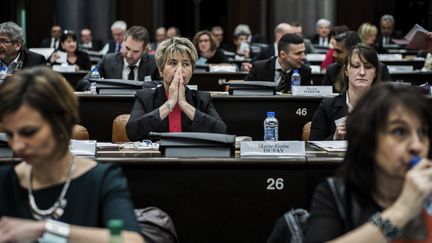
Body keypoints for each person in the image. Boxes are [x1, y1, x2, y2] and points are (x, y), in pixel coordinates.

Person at [0, 66, 143, 243]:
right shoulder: (4, 181)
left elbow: (131, 240)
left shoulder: (102, 180)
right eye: (10, 134)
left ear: (62, 123)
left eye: (29, 132)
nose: (17, 145)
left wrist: (46, 229)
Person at [305, 82, 432, 242]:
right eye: (399, 131)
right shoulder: (337, 195)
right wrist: (402, 210)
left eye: (422, 132)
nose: (417, 145)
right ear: (368, 140)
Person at [126, 37, 227, 141]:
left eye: (186, 64)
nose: (180, 69)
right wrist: (170, 103)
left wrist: (184, 104)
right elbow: (132, 132)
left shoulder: (203, 99)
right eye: (173, 63)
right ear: (161, 70)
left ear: (192, 71)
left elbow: (221, 132)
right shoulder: (144, 97)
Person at [310, 44, 380, 140]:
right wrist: (335, 138)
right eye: (356, 66)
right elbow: (313, 148)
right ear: (346, 71)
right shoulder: (327, 107)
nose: (362, 72)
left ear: (375, 72)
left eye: (368, 67)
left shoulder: (386, 108)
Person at [77, 26, 159, 91]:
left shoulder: (153, 62)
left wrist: (145, 86)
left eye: (135, 51)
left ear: (144, 50)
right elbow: (83, 82)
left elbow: (163, 84)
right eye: (127, 48)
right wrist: (94, 87)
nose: (129, 55)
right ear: (123, 42)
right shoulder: (108, 60)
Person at [322, 31, 391, 91]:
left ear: (353, 51)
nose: (334, 55)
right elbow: (324, 99)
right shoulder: (332, 70)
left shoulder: (380, 69)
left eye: (338, 51)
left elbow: (388, 98)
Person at [244, 33, 312, 92]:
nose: (303, 57)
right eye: (298, 53)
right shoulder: (259, 68)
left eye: (303, 52)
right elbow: (244, 92)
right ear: (283, 54)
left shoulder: (305, 72)